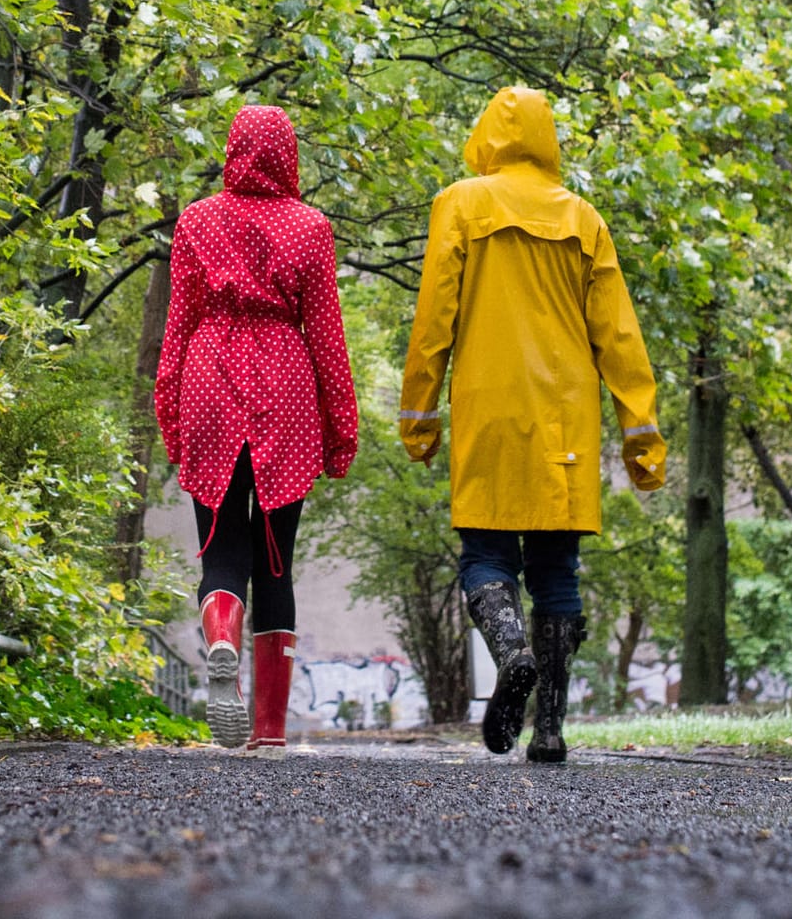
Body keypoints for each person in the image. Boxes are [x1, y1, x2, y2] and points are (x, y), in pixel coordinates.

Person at [399, 86, 666, 763]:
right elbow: (620, 338)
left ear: (489, 132)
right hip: (564, 417)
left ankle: (511, 650)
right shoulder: (584, 219)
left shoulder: (460, 203)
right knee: (557, 566)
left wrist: (419, 417)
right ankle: (548, 728)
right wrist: (641, 435)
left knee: (487, 555)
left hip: (490, 405)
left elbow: (434, 318)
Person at [155, 105, 358, 751]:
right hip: (288, 393)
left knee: (222, 549)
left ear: (231, 151)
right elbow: (326, 336)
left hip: (208, 381)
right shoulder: (311, 228)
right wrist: (340, 428)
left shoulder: (194, 221)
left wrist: (171, 412)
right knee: (277, 563)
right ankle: (269, 730)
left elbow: (177, 328)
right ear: (287, 155)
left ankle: (221, 639)